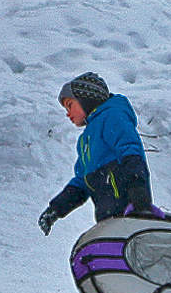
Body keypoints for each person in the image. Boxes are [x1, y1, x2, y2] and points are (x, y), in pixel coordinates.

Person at [38, 71, 155, 236]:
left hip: (131, 209)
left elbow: (130, 151)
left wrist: (139, 195)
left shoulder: (112, 116)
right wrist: (55, 209)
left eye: (70, 105)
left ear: (87, 99)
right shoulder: (85, 141)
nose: (67, 113)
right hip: (108, 218)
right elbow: (81, 182)